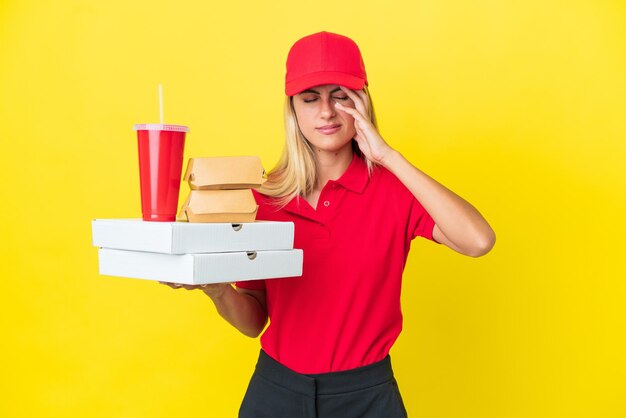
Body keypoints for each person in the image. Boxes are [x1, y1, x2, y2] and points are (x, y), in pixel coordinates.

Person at [162, 31, 496, 417]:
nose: (326, 112)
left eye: (340, 95)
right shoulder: (263, 199)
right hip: (276, 393)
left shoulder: (395, 190)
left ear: (363, 103)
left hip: (367, 396)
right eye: (310, 99)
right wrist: (218, 290)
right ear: (293, 111)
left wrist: (388, 156)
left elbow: (478, 240)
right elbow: (254, 321)